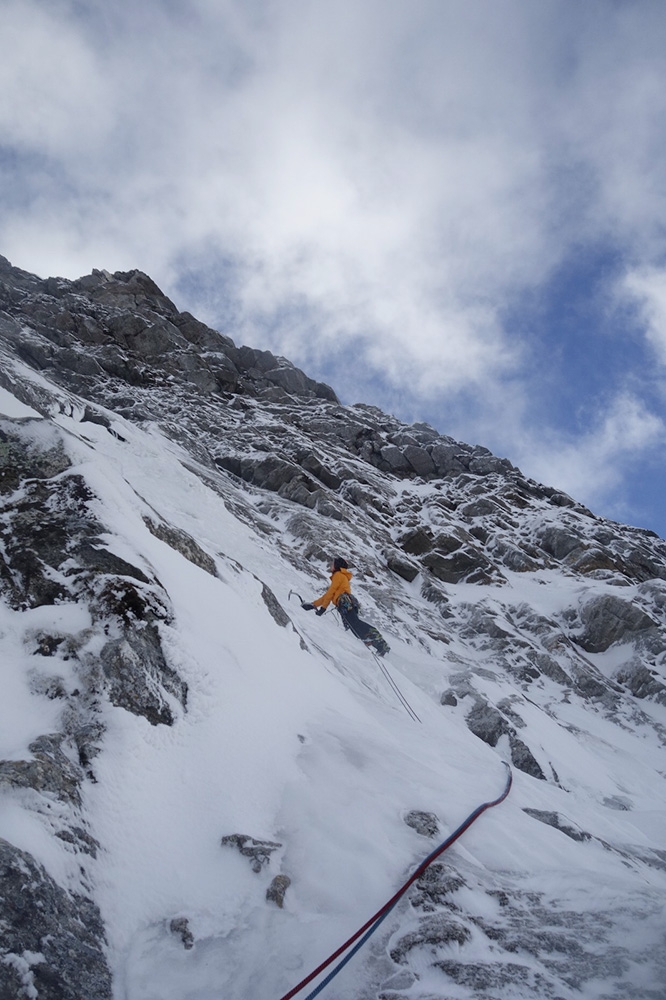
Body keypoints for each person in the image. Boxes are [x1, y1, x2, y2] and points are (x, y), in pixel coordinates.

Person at [301, 557, 390, 657]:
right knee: (354, 626)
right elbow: (328, 595)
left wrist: (323, 608)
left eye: (333, 563)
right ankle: (375, 643)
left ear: (338, 566)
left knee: (354, 624)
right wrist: (314, 605)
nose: (330, 565)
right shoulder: (339, 576)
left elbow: (330, 593)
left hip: (344, 603)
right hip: (346, 603)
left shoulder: (338, 575)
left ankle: (379, 642)